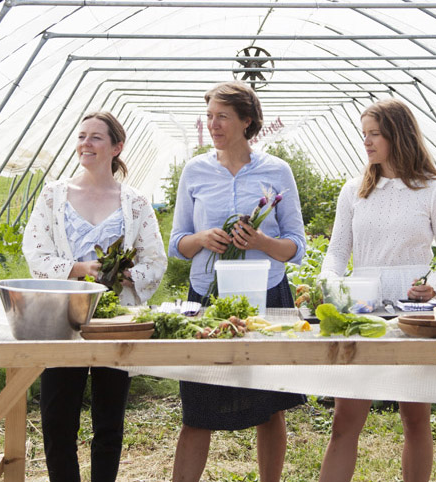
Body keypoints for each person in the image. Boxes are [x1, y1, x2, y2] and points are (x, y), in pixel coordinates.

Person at [168, 81, 306, 481]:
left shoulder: (277, 171)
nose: (213, 124)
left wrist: (262, 241)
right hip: (208, 298)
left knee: (269, 403)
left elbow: (296, 245)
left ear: (247, 122)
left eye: (222, 116)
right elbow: (177, 244)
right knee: (198, 406)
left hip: (265, 295)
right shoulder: (195, 170)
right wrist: (202, 239)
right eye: (209, 116)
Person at [317, 98, 436, 482]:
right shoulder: (354, 191)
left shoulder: (434, 191)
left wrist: (434, 285)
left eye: (374, 134)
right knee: (345, 420)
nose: (366, 142)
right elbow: (335, 252)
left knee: (415, 417)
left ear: (398, 135)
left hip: (412, 315)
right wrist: (329, 282)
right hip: (363, 311)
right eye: (364, 135)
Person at [22, 111, 167, 481]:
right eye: (82, 136)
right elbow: (36, 252)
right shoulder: (55, 195)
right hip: (62, 318)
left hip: (116, 321)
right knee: (57, 419)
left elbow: (155, 259)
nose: (86, 144)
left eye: (96, 138)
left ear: (116, 147)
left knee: (109, 420)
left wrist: (125, 274)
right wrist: (79, 270)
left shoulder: (134, 202)